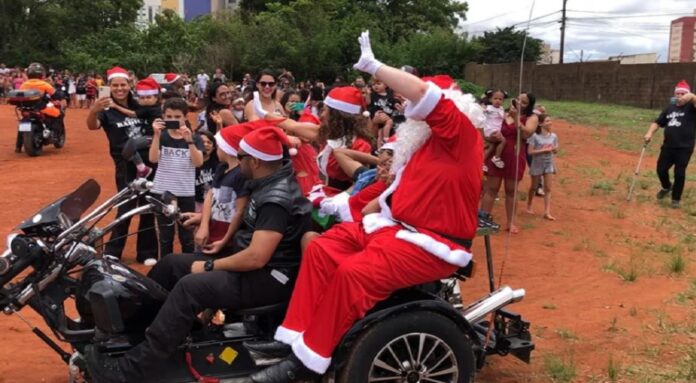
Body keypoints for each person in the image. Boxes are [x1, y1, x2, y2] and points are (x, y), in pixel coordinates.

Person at [247, 30, 485, 382]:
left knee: (353, 274)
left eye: (412, 104)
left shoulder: (460, 132)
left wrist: (375, 66)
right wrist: (367, 206)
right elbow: (399, 188)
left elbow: (421, 93)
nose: (405, 107)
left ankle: (306, 363)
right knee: (322, 250)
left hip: (433, 242)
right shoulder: (425, 143)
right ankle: (295, 340)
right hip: (394, 228)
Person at [85, 125, 313, 383]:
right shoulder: (265, 181)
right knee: (171, 264)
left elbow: (256, 257)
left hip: (269, 277)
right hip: (254, 265)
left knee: (190, 287)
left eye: (241, 157)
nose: (237, 161)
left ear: (257, 161)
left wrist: (209, 267)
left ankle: (132, 371)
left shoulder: (276, 198)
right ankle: (135, 337)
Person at [86, 66, 158, 263]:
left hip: (150, 162)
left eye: (123, 85)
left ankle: (148, 252)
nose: (119, 89)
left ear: (130, 85)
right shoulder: (106, 110)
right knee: (125, 207)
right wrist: (94, 109)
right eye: (115, 85)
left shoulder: (139, 104)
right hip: (125, 164)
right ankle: (113, 251)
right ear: (109, 87)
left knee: (147, 207)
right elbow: (92, 126)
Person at [149, 98, 204, 260]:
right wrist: (156, 135)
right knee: (165, 237)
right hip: (162, 192)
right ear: (163, 116)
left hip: (185, 193)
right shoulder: (162, 136)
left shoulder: (194, 138)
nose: (173, 120)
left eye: (177, 117)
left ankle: (187, 272)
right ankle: (164, 271)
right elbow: (153, 159)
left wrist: (189, 140)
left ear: (185, 117)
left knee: (187, 237)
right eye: (169, 116)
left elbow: (198, 162)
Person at [479, 93, 538, 234]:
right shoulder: (501, 112)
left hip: (515, 155)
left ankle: (511, 223)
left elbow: (526, 134)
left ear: (529, 106)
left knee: (511, 191)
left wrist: (517, 118)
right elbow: (487, 129)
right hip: (497, 155)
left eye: (523, 102)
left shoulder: (532, 117)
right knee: (491, 189)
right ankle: (482, 219)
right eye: (518, 99)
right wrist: (492, 137)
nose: (519, 103)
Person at [644, 80, 696, 209]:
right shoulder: (669, 108)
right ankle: (667, 187)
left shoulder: (691, 107)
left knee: (679, 173)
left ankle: (676, 199)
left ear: (687, 94)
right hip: (668, 146)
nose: (679, 95)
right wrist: (649, 133)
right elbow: (657, 122)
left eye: (682, 93)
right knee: (661, 170)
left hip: (685, 147)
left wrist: (691, 96)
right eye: (677, 93)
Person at [316, 86, 374, 191]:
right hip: (327, 193)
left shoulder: (360, 144)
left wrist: (340, 201)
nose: (321, 115)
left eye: (324, 110)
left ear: (336, 116)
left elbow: (363, 180)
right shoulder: (330, 136)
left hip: (343, 201)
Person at [15, 63, 63, 153]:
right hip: (41, 108)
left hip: (26, 108)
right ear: (41, 74)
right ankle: (54, 135)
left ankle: (18, 146)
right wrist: (60, 94)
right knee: (59, 114)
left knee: (23, 123)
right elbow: (55, 94)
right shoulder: (44, 84)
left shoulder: (24, 84)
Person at [525, 114, 558, 219]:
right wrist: (544, 150)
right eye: (547, 121)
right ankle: (529, 205)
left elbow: (556, 149)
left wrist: (554, 149)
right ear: (540, 124)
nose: (550, 123)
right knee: (534, 187)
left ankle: (546, 212)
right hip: (537, 164)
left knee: (548, 188)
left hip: (548, 164)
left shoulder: (553, 136)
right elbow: (530, 152)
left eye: (550, 120)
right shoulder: (534, 136)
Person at [193, 130, 219, 213]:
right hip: (195, 203)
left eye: (209, 142)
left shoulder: (218, 164)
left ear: (214, 147)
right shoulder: (190, 164)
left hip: (214, 204)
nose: (206, 144)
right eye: (202, 142)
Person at [483, 89, 507, 168]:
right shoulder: (489, 108)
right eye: (495, 98)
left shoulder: (501, 109)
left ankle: (481, 162)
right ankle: (496, 158)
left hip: (495, 130)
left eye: (500, 99)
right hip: (490, 130)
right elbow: (483, 111)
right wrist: (483, 109)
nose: (498, 101)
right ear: (490, 99)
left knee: (492, 145)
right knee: (503, 140)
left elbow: (503, 118)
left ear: (503, 100)